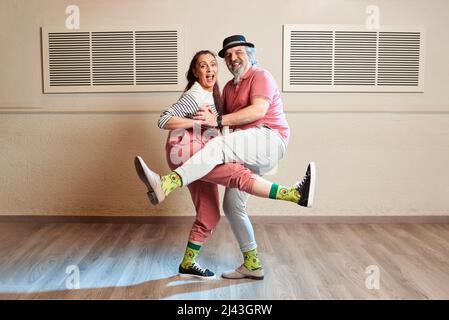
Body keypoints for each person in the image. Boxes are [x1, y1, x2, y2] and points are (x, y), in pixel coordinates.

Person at [135, 36, 316, 280]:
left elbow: (257, 111)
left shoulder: (261, 76)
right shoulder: (228, 89)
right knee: (231, 207)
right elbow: (223, 125)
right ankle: (252, 264)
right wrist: (212, 119)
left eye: (238, 52)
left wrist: (215, 120)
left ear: (249, 54)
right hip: (244, 150)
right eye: (227, 56)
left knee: (220, 148)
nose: (232, 58)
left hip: (268, 138)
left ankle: (167, 183)